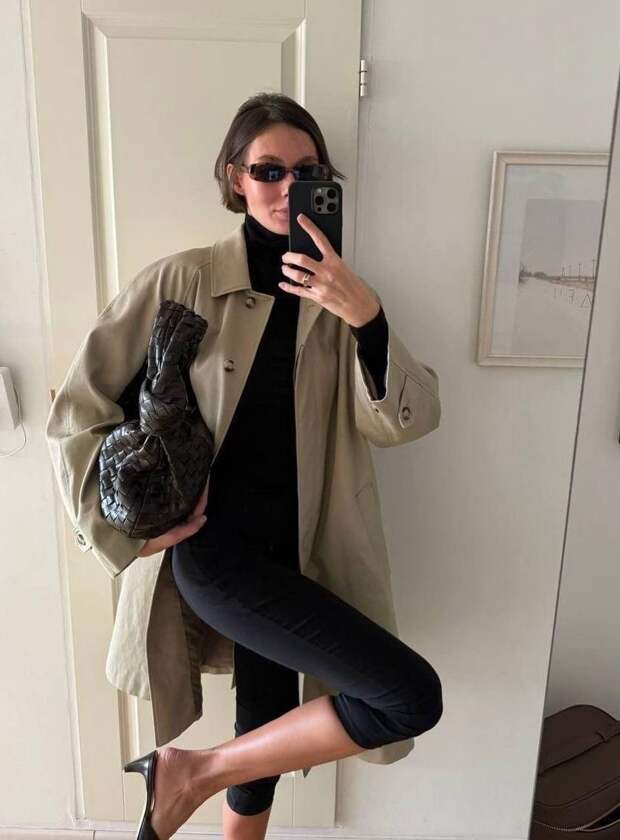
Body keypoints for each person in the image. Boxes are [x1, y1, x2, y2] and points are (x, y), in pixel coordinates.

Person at [47, 92, 443, 840]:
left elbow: (404, 422)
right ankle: (190, 774)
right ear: (236, 178)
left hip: (303, 553)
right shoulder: (184, 280)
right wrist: (124, 533)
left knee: (268, 725)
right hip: (216, 556)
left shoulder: (342, 298)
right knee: (407, 695)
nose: (288, 188)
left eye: (307, 171)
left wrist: (366, 317)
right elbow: (76, 408)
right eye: (268, 170)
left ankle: (191, 775)